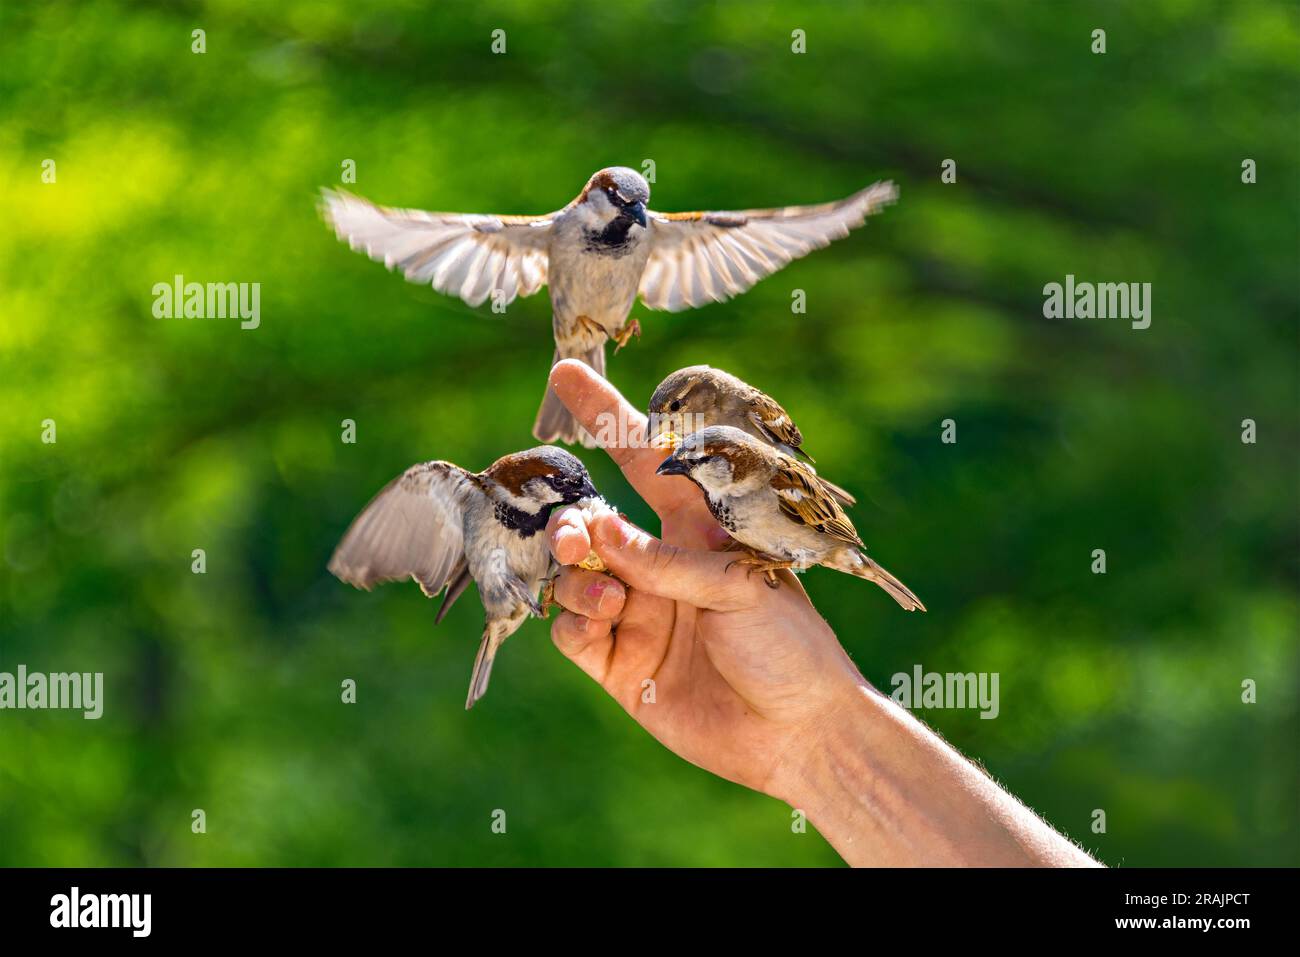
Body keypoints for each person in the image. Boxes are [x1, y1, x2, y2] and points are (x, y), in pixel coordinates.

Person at [543, 359, 1100, 867]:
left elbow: (820, 522)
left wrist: (818, 727)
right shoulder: (716, 494)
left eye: (699, 461)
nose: (683, 466)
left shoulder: (769, 480)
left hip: (817, 544)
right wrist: (815, 733)